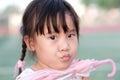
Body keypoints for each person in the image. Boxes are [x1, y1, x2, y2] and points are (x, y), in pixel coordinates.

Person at [14, 0, 116, 80]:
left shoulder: (78, 71)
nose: (65, 46)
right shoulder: (30, 78)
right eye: (53, 37)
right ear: (31, 43)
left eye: (70, 35)